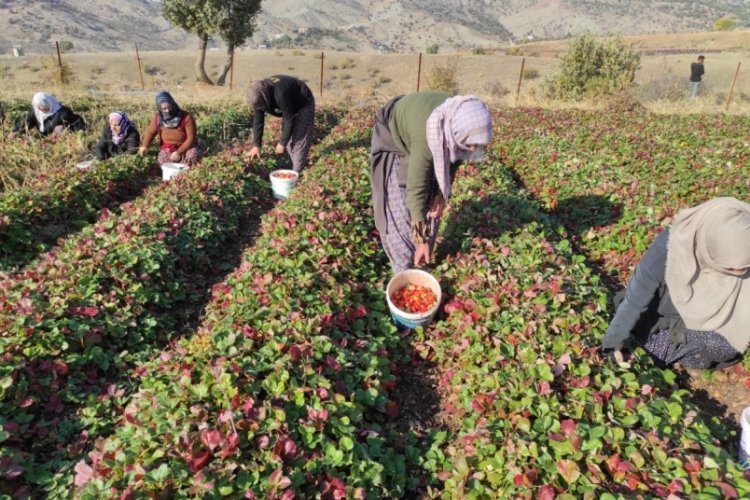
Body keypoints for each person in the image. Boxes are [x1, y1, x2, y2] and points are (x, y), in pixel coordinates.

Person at [601, 197, 750, 370]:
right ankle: (662, 351)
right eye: (730, 268)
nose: (740, 273)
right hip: (659, 317)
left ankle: (674, 354)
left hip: (705, 317)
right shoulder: (669, 247)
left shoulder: (744, 239)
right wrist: (612, 345)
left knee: (728, 345)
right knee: (652, 346)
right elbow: (635, 300)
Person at [370, 91, 493, 272]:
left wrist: (441, 195)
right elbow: (416, 190)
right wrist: (420, 241)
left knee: (432, 208)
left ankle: (422, 258)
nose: (472, 148)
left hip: (421, 132)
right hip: (395, 137)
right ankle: (405, 268)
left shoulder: (458, 123)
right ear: (456, 130)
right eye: (470, 143)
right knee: (399, 210)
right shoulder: (426, 137)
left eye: (476, 143)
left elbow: (455, 158)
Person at [246, 75, 315, 173]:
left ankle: (297, 172)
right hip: (289, 104)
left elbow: (289, 118)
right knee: (288, 139)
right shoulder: (257, 95)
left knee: (299, 139)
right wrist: (256, 145)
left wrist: (282, 142)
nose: (260, 107)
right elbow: (258, 121)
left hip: (303, 102)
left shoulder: (280, 95)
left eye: (261, 104)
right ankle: (296, 163)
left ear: (265, 96)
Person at [138, 91, 200, 166]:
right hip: (168, 147)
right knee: (163, 161)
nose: (167, 110)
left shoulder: (186, 117)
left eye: (169, 107)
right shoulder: (158, 118)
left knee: (191, 156)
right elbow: (151, 132)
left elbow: (191, 137)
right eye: (164, 109)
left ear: (173, 104)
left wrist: (179, 152)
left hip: (186, 146)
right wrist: (145, 146)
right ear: (160, 109)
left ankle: (185, 172)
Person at [12, 92, 86, 137]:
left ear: (49, 103)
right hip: (43, 141)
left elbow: (79, 125)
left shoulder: (63, 112)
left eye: (43, 107)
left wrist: (64, 129)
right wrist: (16, 131)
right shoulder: (36, 112)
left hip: (58, 143)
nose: (41, 109)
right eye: (39, 107)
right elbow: (26, 122)